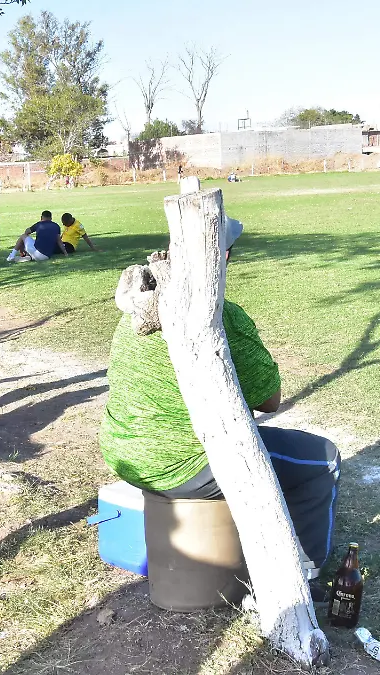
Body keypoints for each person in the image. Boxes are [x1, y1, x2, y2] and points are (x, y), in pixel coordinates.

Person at [99, 217, 340, 591]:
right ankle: (304, 573)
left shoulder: (138, 306)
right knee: (322, 460)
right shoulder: (222, 315)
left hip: (123, 452)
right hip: (184, 466)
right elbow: (270, 401)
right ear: (223, 257)